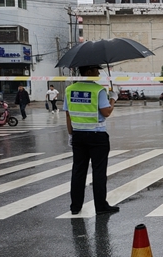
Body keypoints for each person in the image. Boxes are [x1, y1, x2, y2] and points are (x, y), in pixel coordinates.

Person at [64, 65, 120, 215]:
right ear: (88, 72)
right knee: (99, 172)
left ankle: (75, 206)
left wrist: (71, 134)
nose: (99, 72)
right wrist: (113, 99)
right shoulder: (98, 90)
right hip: (97, 136)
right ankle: (101, 207)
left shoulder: (69, 90)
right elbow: (106, 112)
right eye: (96, 70)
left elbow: (68, 115)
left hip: (78, 136)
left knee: (78, 171)